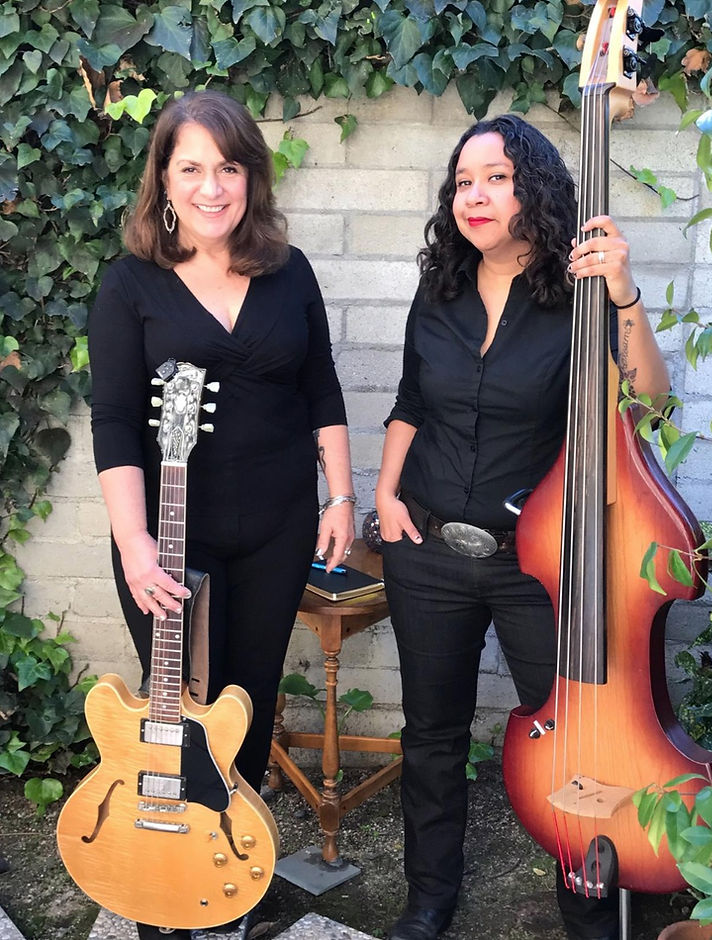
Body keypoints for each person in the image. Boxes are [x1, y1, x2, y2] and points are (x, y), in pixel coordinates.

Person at [375, 114, 670, 940]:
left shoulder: (578, 291)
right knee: (431, 735)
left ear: (532, 187)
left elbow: (647, 403)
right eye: (463, 181)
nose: (474, 195)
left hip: (539, 561)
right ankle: (429, 899)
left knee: (574, 736)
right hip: (426, 549)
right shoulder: (438, 287)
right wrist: (387, 495)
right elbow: (409, 402)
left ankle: (586, 900)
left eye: (495, 178)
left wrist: (624, 293)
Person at [88, 89, 355, 940]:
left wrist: (340, 495)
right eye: (192, 167)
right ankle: (161, 883)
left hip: (277, 529)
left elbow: (322, 388)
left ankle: (224, 868)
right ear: (163, 179)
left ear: (252, 178)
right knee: (181, 716)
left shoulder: (290, 271)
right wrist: (134, 545)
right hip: (170, 540)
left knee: (247, 703)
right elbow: (114, 422)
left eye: (228, 167)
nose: (212, 186)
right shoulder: (131, 285)